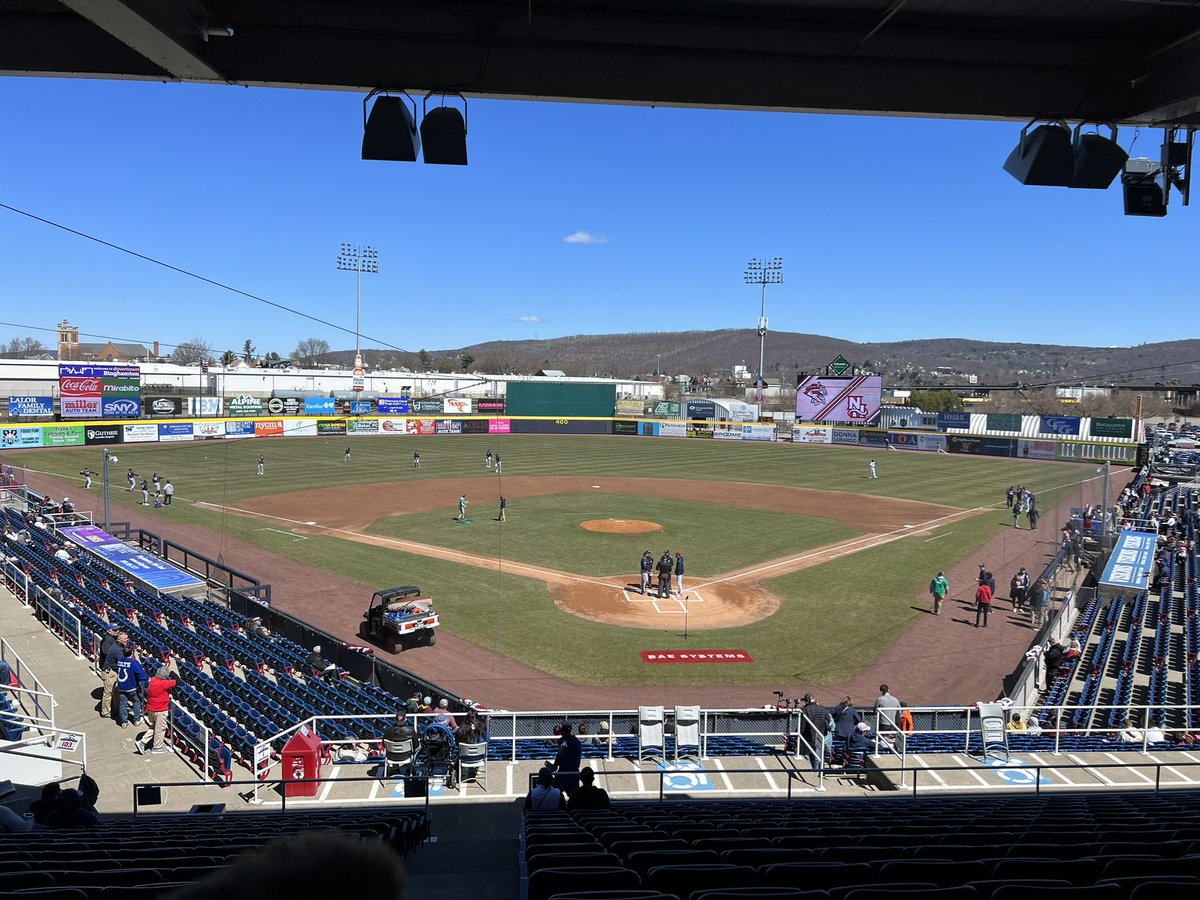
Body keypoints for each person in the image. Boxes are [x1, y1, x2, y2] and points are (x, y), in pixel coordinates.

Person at [137, 665, 178, 754]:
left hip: (151, 708)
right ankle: (157, 747)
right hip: (160, 709)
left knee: (156, 726)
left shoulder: (153, 680)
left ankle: (142, 741)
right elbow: (177, 681)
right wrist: (172, 673)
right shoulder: (163, 683)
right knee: (161, 728)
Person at [116, 644, 148, 728]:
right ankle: (136, 720)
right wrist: (146, 679)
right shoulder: (133, 662)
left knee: (122, 703)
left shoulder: (119, 661)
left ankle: (124, 722)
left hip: (121, 686)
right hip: (131, 687)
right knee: (136, 702)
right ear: (132, 652)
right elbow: (142, 674)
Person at [799, 692, 832, 771]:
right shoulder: (822, 708)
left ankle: (809, 774)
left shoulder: (805, 709)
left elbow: (802, 726)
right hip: (819, 736)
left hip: (807, 737)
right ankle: (816, 774)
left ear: (807, 700)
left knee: (806, 757)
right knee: (817, 758)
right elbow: (828, 720)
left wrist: (800, 735)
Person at [551, 720, 583, 795]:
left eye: (562, 730)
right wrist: (555, 764)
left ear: (568, 730)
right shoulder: (561, 740)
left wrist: (562, 754)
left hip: (571, 774)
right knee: (554, 793)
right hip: (561, 772)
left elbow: (573, 762)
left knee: (574, 797)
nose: (561, 733)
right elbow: (558, 755)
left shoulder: (576, 743)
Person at [99, 629, 125, 720]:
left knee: (116, 691)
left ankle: (118, 709)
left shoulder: (114, 642)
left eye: (118, 629)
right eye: (114, 630)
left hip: (113, 671)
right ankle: (105, 712)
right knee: (108, 693)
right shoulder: (108, 641)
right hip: (109, 671)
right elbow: (106, 653)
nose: (116, 631)